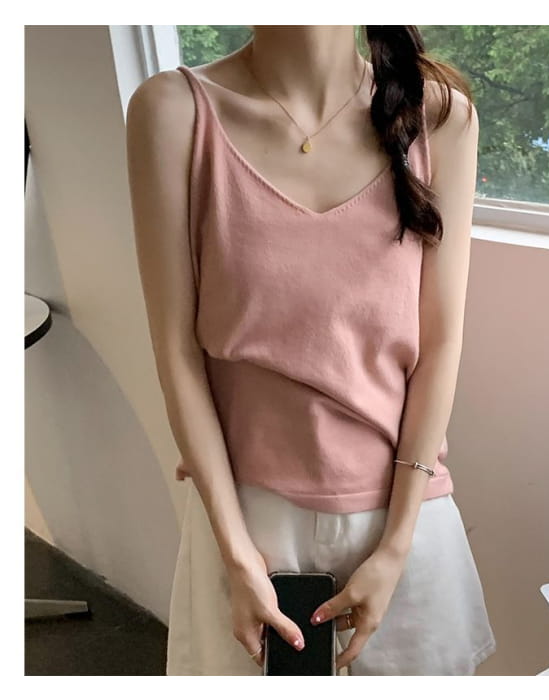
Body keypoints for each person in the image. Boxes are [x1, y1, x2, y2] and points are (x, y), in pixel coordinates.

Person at [126, 25, 496, 675]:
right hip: (250, 528)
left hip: (404, 517)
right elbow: (177, 350)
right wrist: (237, 553)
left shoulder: (441, 118)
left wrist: (395, 547)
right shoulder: (174, 111)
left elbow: (440, 344)